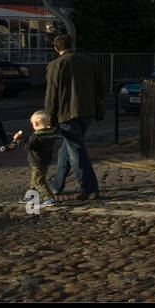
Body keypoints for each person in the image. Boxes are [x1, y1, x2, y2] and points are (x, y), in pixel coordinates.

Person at [44, 34, 106, 202]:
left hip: (66, 113)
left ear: (56, 49)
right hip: (87, 110)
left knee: (76, 151)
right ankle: (57, 185)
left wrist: (48, 116)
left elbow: (52, 94)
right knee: (67, 149)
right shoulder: (89, 61)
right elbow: (102, 86)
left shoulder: (56, 65)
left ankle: (90, 188)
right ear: (72, 44)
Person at [10, 110, 60, 207]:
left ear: (36, 124)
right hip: (46, 160)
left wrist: (18, 139)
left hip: (36, 161)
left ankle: (49, 198)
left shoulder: (36, 136)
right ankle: (31, 196)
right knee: (35, 180)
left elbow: (27, 146)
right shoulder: (51, 133)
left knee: (39, 181)